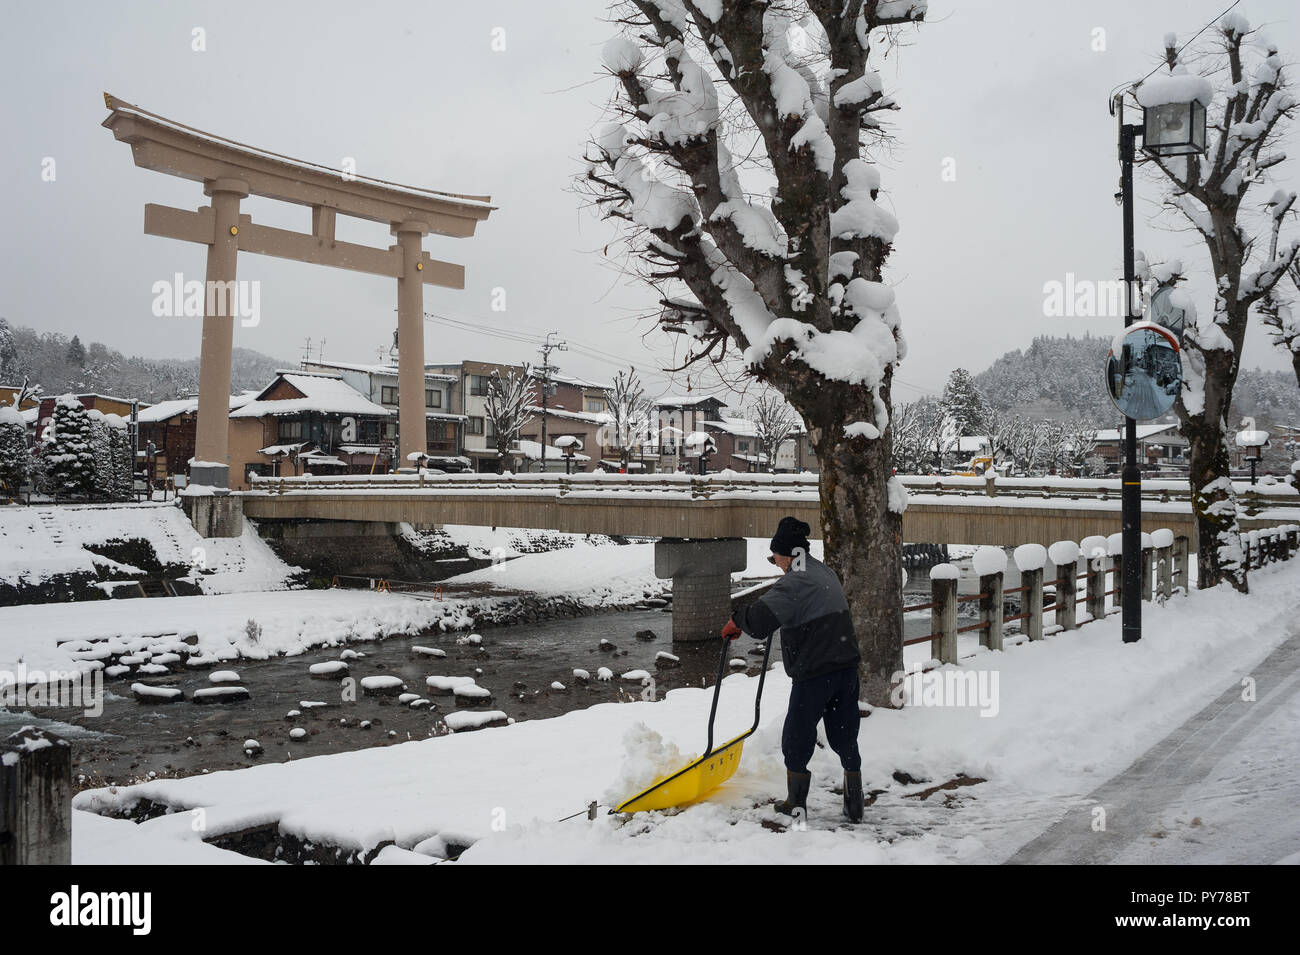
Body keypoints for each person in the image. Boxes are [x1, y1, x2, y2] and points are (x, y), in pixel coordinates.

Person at [722, 516, 864, 822]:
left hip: (816, 672)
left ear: (787, 554)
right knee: (843, 732)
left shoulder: (793, 581)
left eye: (776, 558)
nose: (776, 564)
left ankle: (795, 805)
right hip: (846, 667)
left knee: (796, 738)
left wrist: (736, 621)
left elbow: (760, 621)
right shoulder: (821, 571)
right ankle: (855, 801)